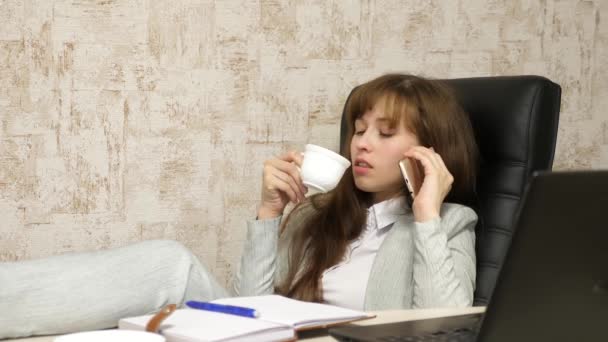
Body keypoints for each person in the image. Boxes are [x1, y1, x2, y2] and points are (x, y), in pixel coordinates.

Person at [0, 73, 479, 338]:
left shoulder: (449, 224)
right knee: (167, 269)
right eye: (358, 130)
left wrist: (427, 215)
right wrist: (269, 215)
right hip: (273, 337)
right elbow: (253, 304)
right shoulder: (323, 215)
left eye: (386, 133)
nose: (362, 145)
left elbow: (443, 328)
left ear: (429, 149)